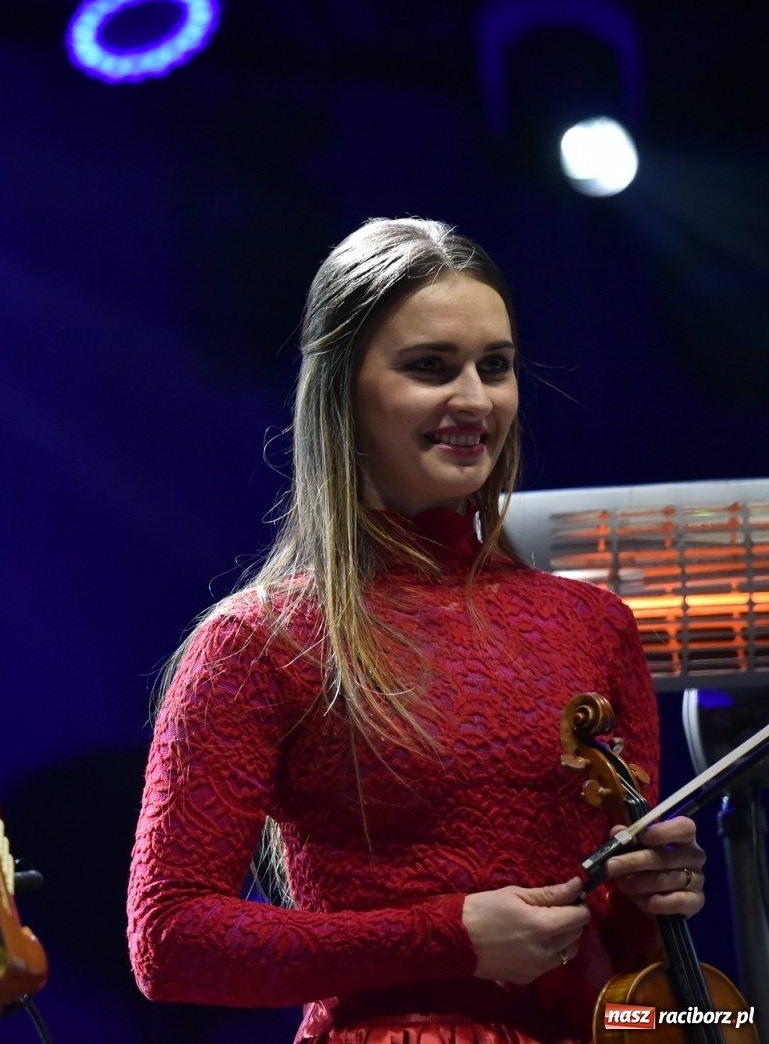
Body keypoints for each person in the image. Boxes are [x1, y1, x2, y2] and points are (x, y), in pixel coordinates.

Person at [126, 218, 707, 1044]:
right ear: (345, 393)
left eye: (494, 367)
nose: (473, 399)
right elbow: (170, 941)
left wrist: (657, 898)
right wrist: (448, 937)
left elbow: (622, 946)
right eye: (431, 368)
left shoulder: (595, 625)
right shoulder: (260, 640)